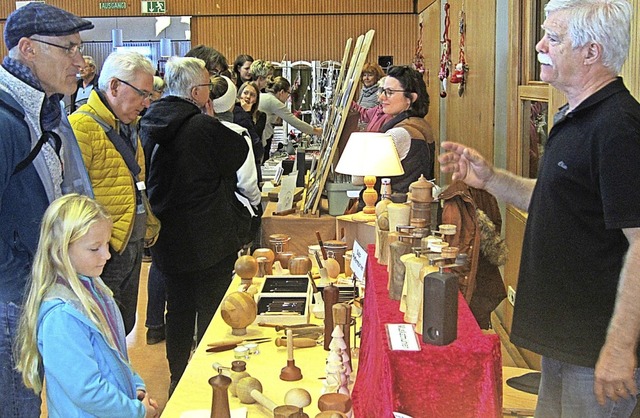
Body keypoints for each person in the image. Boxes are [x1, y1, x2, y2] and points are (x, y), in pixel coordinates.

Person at [439, 1, 640, 415]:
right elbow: (556, 200)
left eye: (553, 37)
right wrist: (491, 179)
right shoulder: (574, 115)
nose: (538, 45)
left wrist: (620, 348)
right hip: (565, 341)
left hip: (596, 349)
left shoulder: (618, 126)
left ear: (592, 52)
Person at [0, 3, 94, 416]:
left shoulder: (47, 111)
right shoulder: (7, 120)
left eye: (80, 47)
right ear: (28, 49)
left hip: (32, 285)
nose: (80, 60)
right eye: (68, 48)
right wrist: (17, 265)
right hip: (10, 296)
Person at [139, 56, 249, 395]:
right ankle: (207, 376)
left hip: (168, 233)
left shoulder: (148, 122)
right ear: (195, 91)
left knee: (178, 308)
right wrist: (211, 119)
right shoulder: (201, 125)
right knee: (211, 306)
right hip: (208, 233)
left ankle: (176, 378)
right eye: (206, 88)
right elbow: (238, 153)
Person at [14, 194, 159, 417]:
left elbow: (116, 353)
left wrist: (135, 386)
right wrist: (136, 411)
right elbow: (87, 390)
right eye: (95, 249)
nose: (107, 255)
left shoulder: (96, 288)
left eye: (107, 244)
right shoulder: (61, 317)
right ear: (61, 249)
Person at [69, 51, 155, 335]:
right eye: (142, 93)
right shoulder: (82, 126)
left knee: (123, 323)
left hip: (130, 242)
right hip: (105, 251)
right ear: (115, 86)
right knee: (103, 329)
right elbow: (73, 198)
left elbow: (135, 181)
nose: (146, 103)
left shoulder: (128, 126)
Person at [358, 65, 434, 208]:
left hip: (393, 213)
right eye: (382, 91)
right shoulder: (421, 124)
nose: (381, 97)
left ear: (410, 98)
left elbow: (359, 178)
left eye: (389, 92)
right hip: (412, 208)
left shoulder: (399, 133)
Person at [259, 76, 322, 162]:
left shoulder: (264, 96)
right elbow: (295, 122)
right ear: (281, 92)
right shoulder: (274, 102)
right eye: (288, 93)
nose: (288, 97)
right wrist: (316, 131)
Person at [235, 81, 267, 166]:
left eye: (252, 95)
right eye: (245, 93)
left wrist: (247, 113)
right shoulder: (233, 113)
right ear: (239, 95)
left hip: (254, 159)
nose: (248, 97)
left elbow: (254, 135)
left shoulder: (261, 116)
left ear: (256, 100)